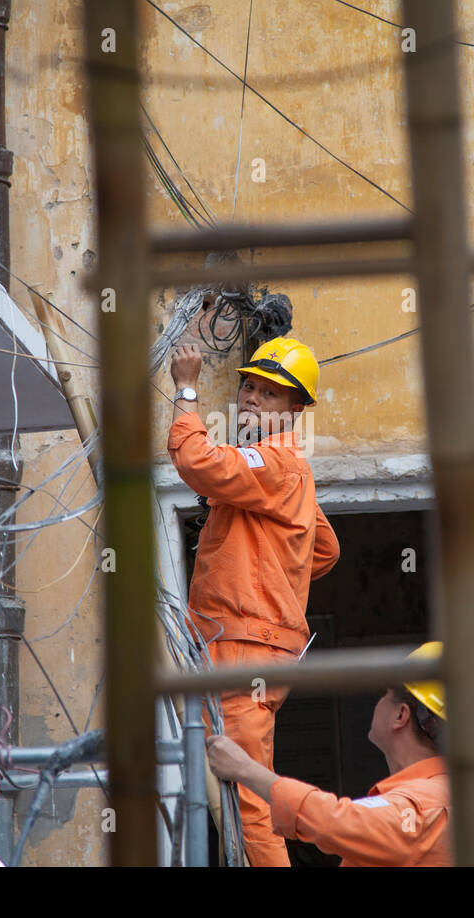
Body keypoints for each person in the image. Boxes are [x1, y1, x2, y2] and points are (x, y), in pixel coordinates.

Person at [167, 337, 339, 867]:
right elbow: (326, 549)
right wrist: (272, 567)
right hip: (246, 650)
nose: (251, 397)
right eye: (249, 386)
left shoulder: (271, 464)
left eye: (270, 393)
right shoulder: (290, 474)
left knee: (248, 803)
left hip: (243, 652)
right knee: (229, 787)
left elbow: (195, 459)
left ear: (296, 409)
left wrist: (187, 388)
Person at [206, 642, 451, 866]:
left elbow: (340, 821)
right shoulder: (435, 796)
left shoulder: (426, 805)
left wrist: (245, 770)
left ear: (401, 716)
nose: (379, 701)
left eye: (386, 695)